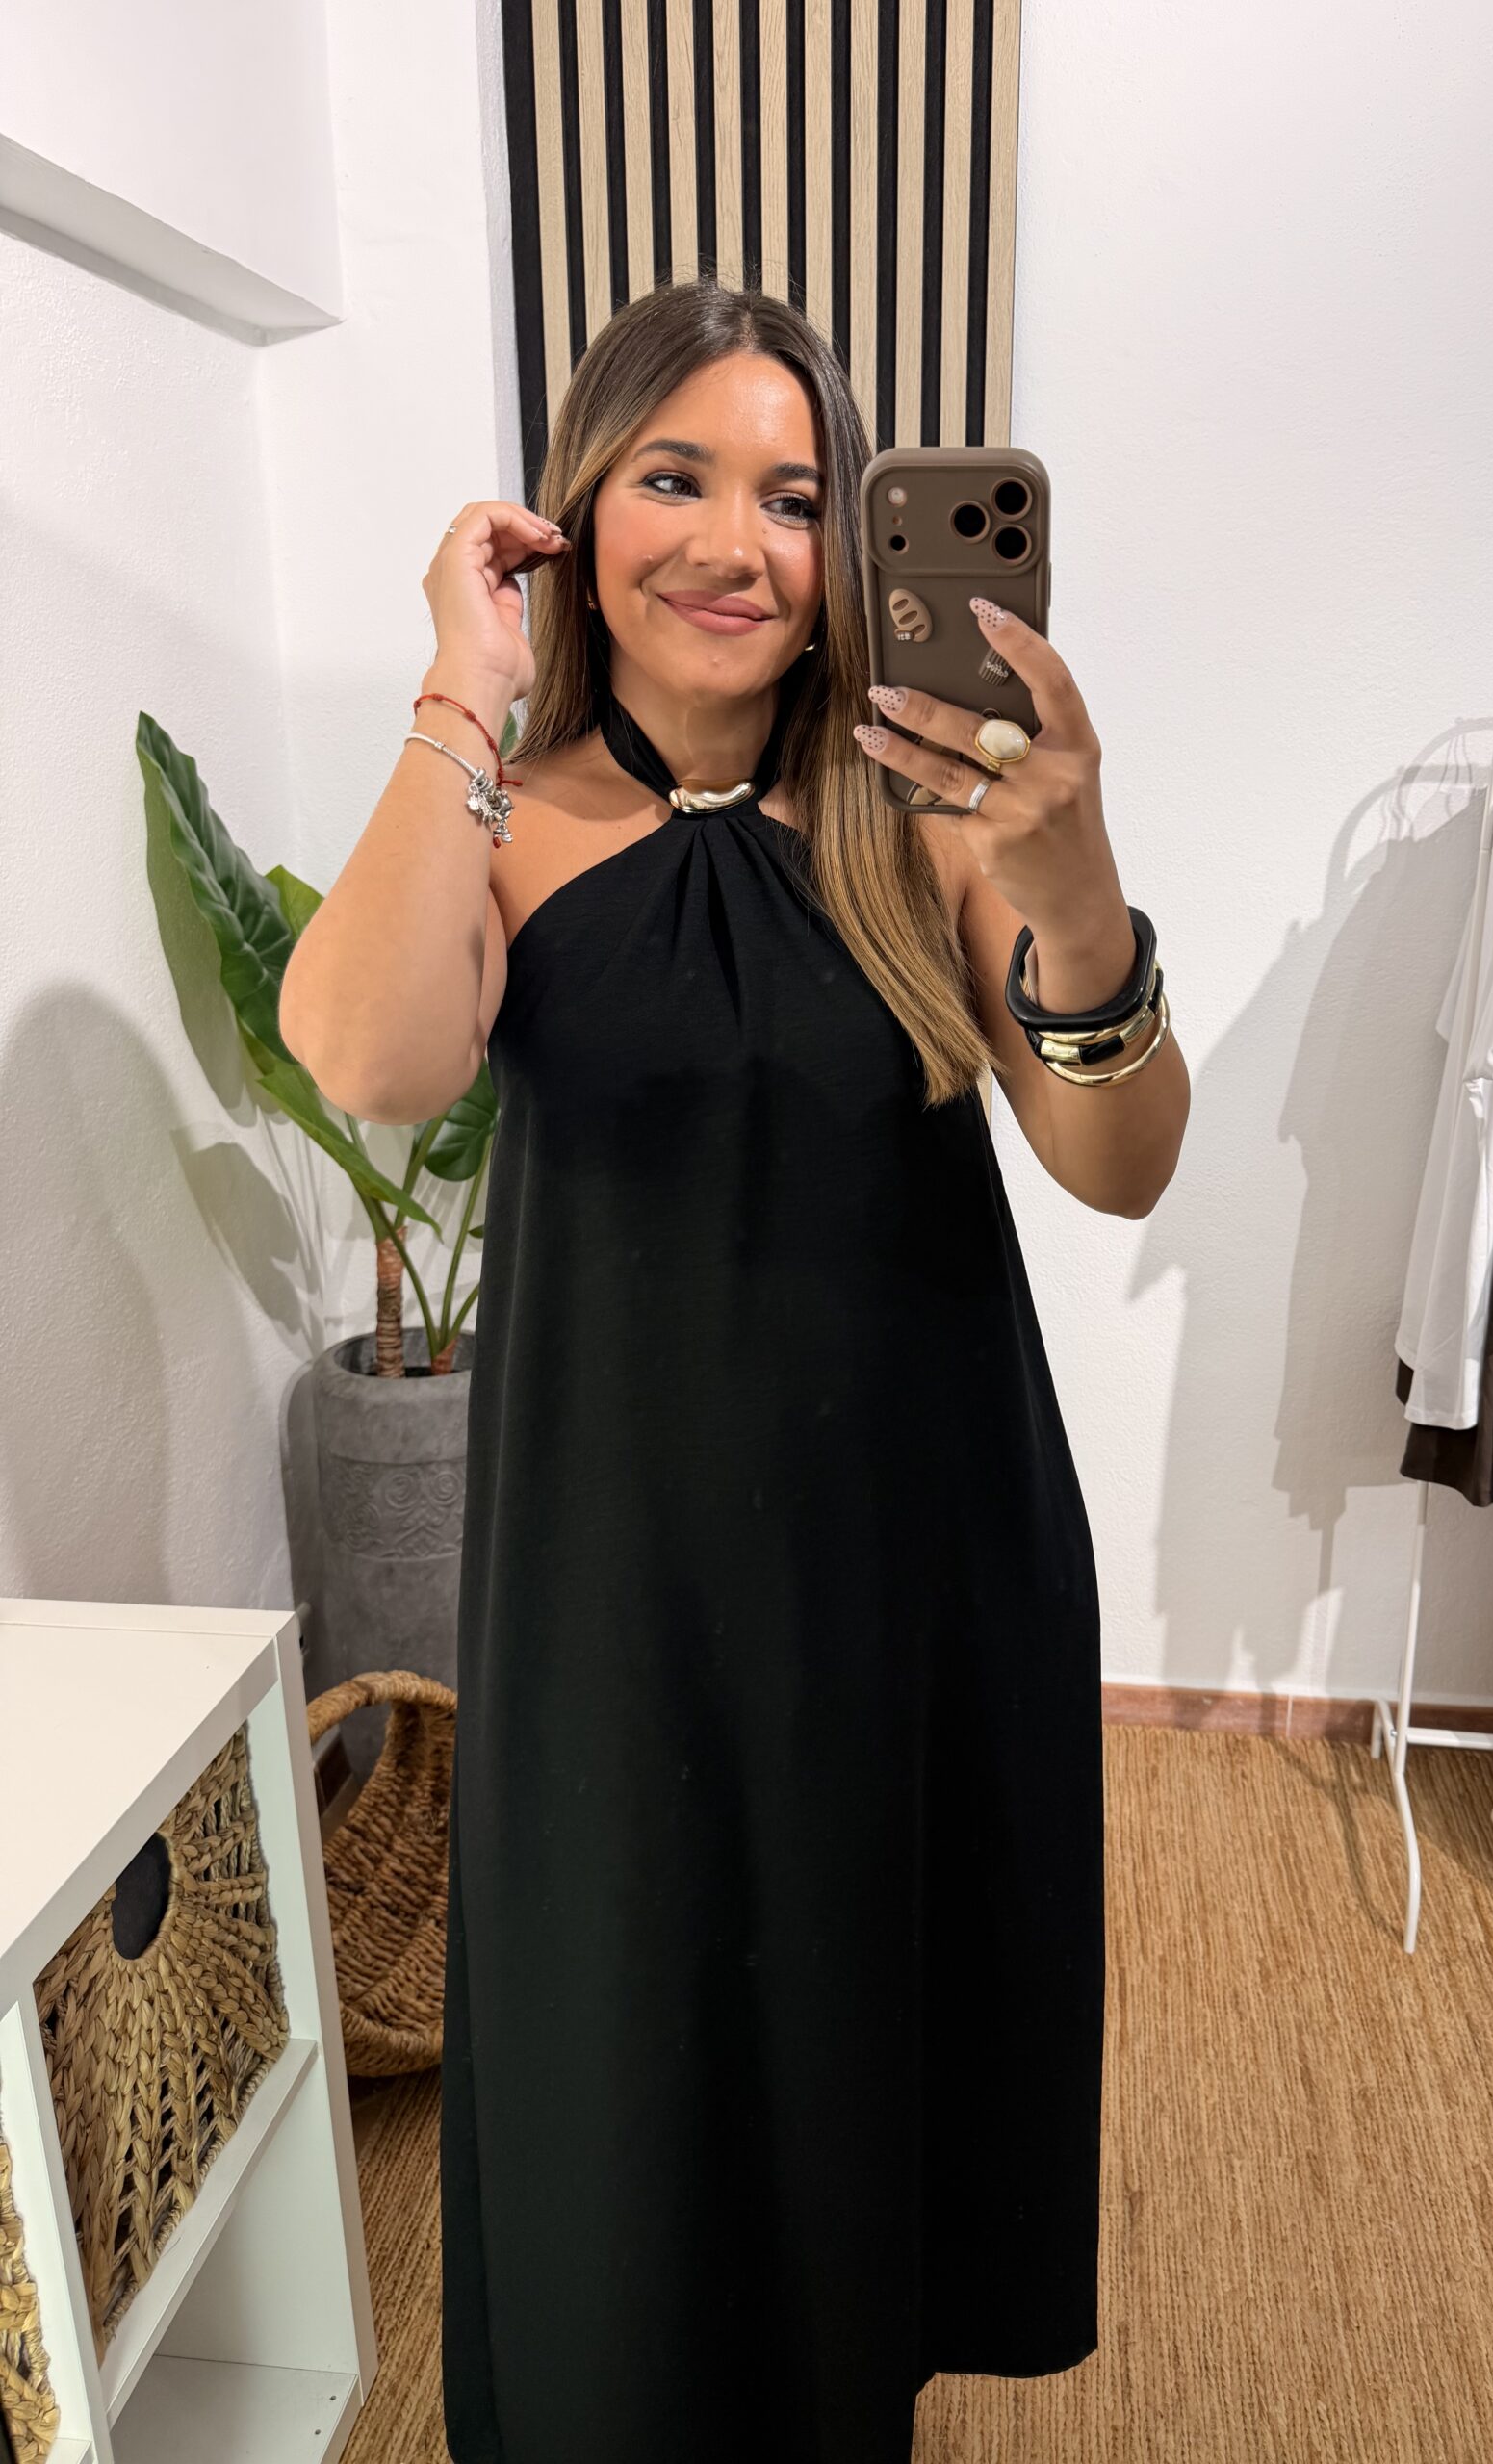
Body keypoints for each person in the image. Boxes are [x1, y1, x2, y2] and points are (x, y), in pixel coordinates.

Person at [278, 279, 1188, 2464]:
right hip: (613, 1594)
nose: (731, 544)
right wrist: (461, 685)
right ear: (577, 515)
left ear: (848, 545)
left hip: (912, 1578)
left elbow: (1121, 1160)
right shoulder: (504, 811)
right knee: (624, 2100)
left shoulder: (924, 810)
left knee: (859, 2089)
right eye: (672, 479)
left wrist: (1070, 873)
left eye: (792, 499)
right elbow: (369, 1058)